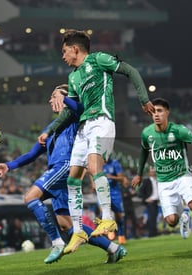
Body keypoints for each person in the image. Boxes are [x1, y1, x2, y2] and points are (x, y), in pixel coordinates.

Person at [38, 29, 155, 253]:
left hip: (102, 122)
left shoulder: (99, 59)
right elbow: (69, 112)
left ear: (75, 49)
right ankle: (79, 231)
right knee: (73, 178)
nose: (62, 56)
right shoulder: (73, 77)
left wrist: (143, 99)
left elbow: (130, 70)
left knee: (94, 168)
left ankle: (108, 218)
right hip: (84, 127)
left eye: (64, 51)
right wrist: (51, 131)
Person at [0, 85, 126, 264]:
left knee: (30, 196)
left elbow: (80, 107)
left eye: (53, 96)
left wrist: (66, 99)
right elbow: (32, 154)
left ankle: (56, 243)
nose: (50, 100)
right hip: (59, 174)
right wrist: (9, 165)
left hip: (65, 167)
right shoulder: (51, 128)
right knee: (68, 226)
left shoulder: (75, 117)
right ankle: (113, 248)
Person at [131, 98, 192, 250]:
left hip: (183, 176)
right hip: (163, 182)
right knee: (171, 221)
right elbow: (143, 152)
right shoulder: (147, 133)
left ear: (167, 113)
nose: (156, 114)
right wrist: (139, 174)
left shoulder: (178, 130)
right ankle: (184, 216)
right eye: (153, 112)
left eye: (159, 111)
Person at [102, 158, 127, 244]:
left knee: (119, 215)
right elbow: (90, 173)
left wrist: (112, 177)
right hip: (103, 191)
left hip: (115, 192)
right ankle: (110, 229)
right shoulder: (98, 163)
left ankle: (121, 235)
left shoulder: (115, 163)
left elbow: (122, 178)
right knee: (104, 210)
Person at [137, 166, 159, 237]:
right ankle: (152, 234)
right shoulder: (146, 181)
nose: (153, 172)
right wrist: (145, 199)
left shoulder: (158, 180)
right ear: (149, 172)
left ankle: (155, 232)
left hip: (157, 202)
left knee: (155, 217)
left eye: (154, 171)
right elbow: (140, 191)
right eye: (151, 171)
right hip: (150, 202)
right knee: (151, 217)